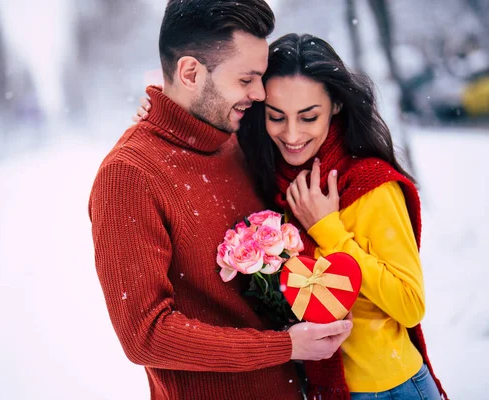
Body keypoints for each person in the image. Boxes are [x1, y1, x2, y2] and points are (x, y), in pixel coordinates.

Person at [135, 33, 448, 399]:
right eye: (277, 117)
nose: (293, 134)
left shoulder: (371, 185)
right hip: (319, 388)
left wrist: (328, 229)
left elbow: (410, 305)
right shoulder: (270, 177)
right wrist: (163, 120)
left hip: (390, 389)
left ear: (335, 106)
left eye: (308, 116)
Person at [89, 2, 353, 400]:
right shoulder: (129, 177)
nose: (260, 93)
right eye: (247, 78)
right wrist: (287, 346)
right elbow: (146, 336)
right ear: (190, 73)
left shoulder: (235, 135)